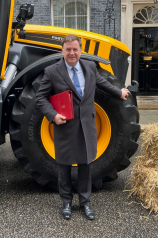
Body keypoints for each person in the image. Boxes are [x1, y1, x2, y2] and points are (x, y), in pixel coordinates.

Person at [35, 34, 130, 220]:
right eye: (68, 49)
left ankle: (85, 203)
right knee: (64, 167)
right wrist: (53, 115)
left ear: (80, 51)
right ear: (62, 51)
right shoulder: (52, 71)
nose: (72, 53)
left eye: (75, 49)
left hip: (87, 127)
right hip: (65, 127)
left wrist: (119, 92)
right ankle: (66, 203)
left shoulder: (90, 66)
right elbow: (40, 98)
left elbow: (102, 83)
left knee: (86, 166)